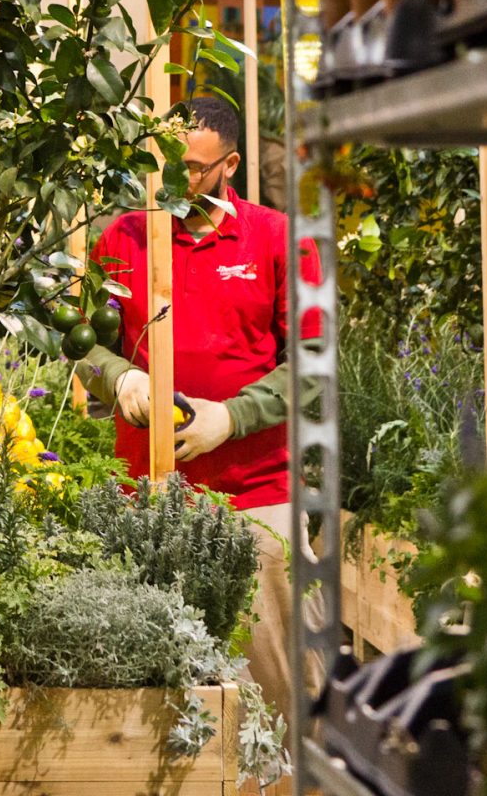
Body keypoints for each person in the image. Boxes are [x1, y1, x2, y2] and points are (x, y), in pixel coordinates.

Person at [74, 94, 318, 716]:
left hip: (257, 498)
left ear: (230, 165)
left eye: (196, 167)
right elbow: (86, 350)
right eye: (167, 163)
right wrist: (120, 379)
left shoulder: (280, 239)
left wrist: (230, 417)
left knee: (286, 694)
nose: (178, 180)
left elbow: (316, 368)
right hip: (145, 501)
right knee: (154, 704)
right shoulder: (123, 239)